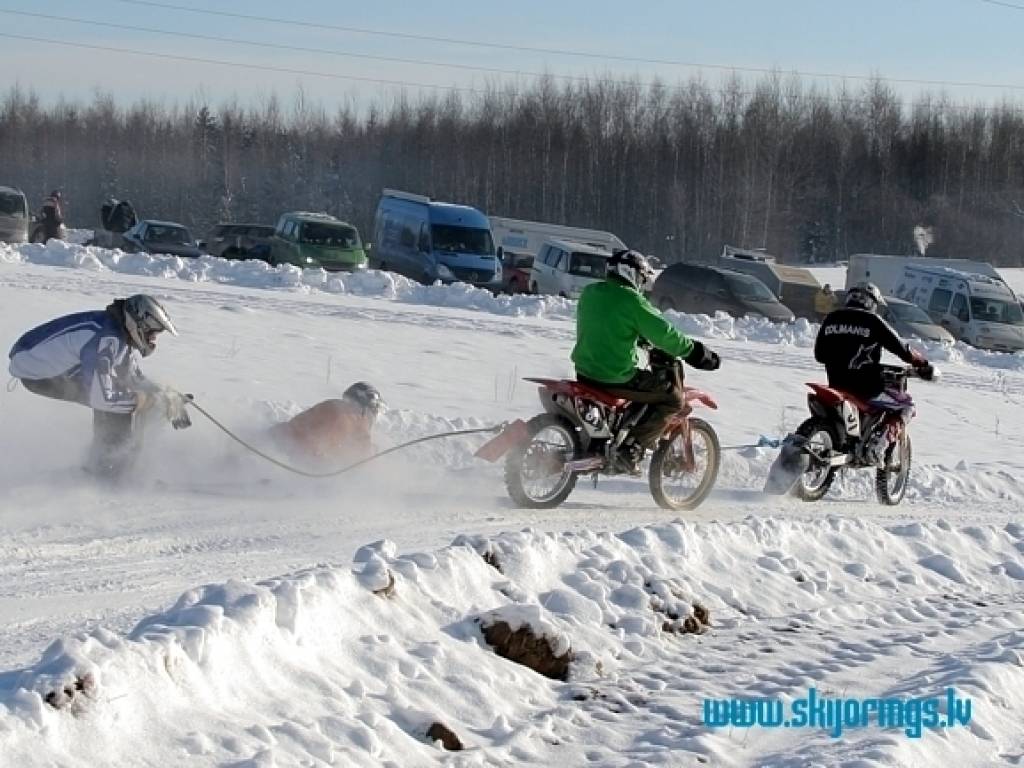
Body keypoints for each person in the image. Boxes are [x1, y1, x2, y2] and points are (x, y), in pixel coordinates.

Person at [571, 249, 721, 474]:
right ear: (630, 273)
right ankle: (631, 450)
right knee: (671, 398)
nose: (642, 283)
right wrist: (696, 353)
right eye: (641, 277)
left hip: (584, 372)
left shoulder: (590, 292)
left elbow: (609, 324)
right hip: (616, 376)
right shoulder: (632, 301)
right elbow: (665, 334)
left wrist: (640, 339)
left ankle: (612, 436)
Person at [7, 294, 190, 478]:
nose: (153, 339)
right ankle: (108, 473)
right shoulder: (107, 338)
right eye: (152, 332)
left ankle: (107, 464)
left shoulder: (118, 332)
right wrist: (143, 400)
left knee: (120, 393)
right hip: (37, 372)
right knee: (114, 401)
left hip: (37, 360)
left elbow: (132, 376)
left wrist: (166, 394)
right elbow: (103, 398)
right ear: (139, 324)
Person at [813, 282, 934, 464]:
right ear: (872, 302)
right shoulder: (872, 321)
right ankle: (880, 445)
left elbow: (819, 355)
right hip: (867, 389)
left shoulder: (831, 318)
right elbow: (901, 348)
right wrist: (922, 363)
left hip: (836, 385)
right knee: (906, 406)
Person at [268, 382, 384, 464]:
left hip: (275, 438)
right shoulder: (356, 418)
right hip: (297, 459)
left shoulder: (332, 405)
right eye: (375, 409)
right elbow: (362, 458)